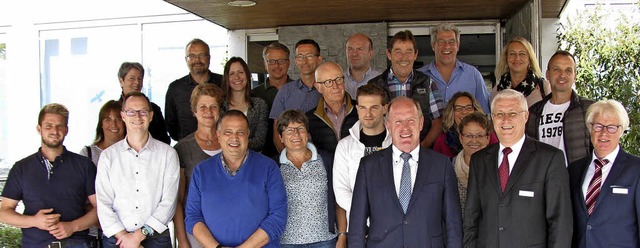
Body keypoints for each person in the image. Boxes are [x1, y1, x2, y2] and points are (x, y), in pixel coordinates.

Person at [463, 89, 572, 247]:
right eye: (499, 114)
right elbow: (471, 219)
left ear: (525, 116)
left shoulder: (550, 158)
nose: (505, 120)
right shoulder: (479, 160)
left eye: (512, 113)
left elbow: (560, 222)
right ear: (492, 118)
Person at [349, 97, 462, 247]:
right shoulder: (368, 166)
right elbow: (357, 225)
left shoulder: (442, 165)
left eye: (410, 120)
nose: (405, 128)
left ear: (421, 123)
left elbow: (453, 223)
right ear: (388, 125)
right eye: (398, 121)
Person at [185, 110, 287, 247]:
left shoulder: (269, 168)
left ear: (248, 135)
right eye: (228, 132)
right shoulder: (201, 172)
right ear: (218, 135)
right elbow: (192, 217)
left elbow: (278, 217)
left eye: (240, 132)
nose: (234, 138)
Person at [0, 103, 98, 247]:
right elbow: (4, 212)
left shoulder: (84, 165)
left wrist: (72, 226)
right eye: (48, 126)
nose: (54, 130)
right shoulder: (21, 168)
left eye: (59, 126)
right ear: (39, 129)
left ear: (66, 130)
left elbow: (101, 209)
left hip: (76, 244)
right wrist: (34, 221)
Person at [96, 92, 179, 248]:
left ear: (151, 115)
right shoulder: (108, 157)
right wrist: (125, 238)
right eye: (131, 112)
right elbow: (103, 203)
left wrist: (138, 236)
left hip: (156, 239)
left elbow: (169, 202)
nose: (137, 116)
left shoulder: (168, 154)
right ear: (123, 116)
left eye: (143, 111)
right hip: (117, 239)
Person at [568, 99, 640, 248]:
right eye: (598, 126)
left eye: (612, 127)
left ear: (621, 130)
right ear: (589, 128)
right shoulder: (574, 170)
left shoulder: (636, 169)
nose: (604, 133)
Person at [368, 30, 444, 148]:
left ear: (415, 54)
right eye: (398, 51)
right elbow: (368, 122)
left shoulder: (427, 83)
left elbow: (438, 122)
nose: (404, 58)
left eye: (409, 52)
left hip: (419, 155)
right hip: (384, 155)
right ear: (389, 54)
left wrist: (422, 147)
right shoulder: (374, 85)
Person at [276, 110, 341, 248]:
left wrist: (342, 235)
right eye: (289, 130)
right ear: (281, 137)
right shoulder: (274, 166)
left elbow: (338, 200)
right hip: (287, 241)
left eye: (301, 128)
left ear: (308, 134)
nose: (296, 134)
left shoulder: (326, 159)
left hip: (325, 239)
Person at [333, 83, 392, 226]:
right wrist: (367, 215)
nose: (368, 114)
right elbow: (341, 191)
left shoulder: (396, 142)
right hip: (358, 224)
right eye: (363, 108)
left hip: (393, 222)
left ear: (385, 108)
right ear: (357, 109)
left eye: (374, 107)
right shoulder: (344, 146)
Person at [173, 83, 224, 248]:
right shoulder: (182, 148)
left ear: (220, 110)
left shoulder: (231, 143)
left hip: (228, 227)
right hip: (195, 231)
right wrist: (182, 239)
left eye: (213, 106)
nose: (208, 112)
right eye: (202, 107)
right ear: (194, 111)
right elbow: (178, 200)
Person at [526, 50, 594, 166]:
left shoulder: (588, 109)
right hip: (543, 180)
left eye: (568, 70)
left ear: (575, 76)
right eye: (556, 69)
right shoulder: (533, 112)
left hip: (576, 180)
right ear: (547, 74)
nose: (562, 75)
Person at [79, 100, 126, 246]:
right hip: (97, 233)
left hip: (131, 230)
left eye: (118, 119)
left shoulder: (134, 153)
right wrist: (107, 223)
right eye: (108, 119)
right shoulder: (88, 154)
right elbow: (82, 197)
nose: (113, 124)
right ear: (101, 124)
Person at [418, 23, 491, 114]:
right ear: (433, 45)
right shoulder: (420, 76)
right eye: (441, 42)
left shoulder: (473, 75)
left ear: (458, 45)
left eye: (451, 42)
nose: (447, 46)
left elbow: (484, 113)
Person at [270, 39, 323, 153]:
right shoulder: (285, 91)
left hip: (325, 159)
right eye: (300, 56)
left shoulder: (328, 89)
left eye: (309, 56)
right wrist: (289, 162)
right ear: (295, 61)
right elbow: (277, 133)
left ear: (319, 59)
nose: (304, 61)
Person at [166, 38, 223, 142]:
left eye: (202, 55)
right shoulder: (175, 88)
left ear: (209, 58)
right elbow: (171, 125)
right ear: (186, 59)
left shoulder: (223, 84)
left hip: (220, 148)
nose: (197, 60)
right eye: (192, 56)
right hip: (186, 152)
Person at [252, 41, 294, 158]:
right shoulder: (254, 94)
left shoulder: (298, 90)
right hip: (262, 157)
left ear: (288, 63)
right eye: (271, 61)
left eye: (281, 61)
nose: (276, 66)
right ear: (265, 64)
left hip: (294, 156)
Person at [306, 62, 359, 154]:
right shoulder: (309, 119)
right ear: (318, 87)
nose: (335, 86)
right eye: (328, 82)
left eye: (338, 79)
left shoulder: (360, 109)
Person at [221, 57, 268, 152]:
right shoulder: (219, 105)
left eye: (241, 72)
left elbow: (259, 141)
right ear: (227, 78)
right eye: (232, 73)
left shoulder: (260, 105)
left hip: (252, 160)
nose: (237, 77)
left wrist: (234, 143)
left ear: (247, 75)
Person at [117, 62, 170, 144]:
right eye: (132, 78)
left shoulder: (154, 109)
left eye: (140, 79)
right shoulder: (113, 109)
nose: (137, 83)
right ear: (121, 81)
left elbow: (164, 139)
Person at [432, 91, 497, 158]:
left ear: (475, 110)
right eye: (459, 108)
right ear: (452, 112)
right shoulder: (442, 141)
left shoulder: (489, 136)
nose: (464, 112)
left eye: (468, 108)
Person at [492, 37, 551, 107]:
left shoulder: (544, 87)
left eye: (522, 54)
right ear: (506, 58)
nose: (517, 58)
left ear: (530, 59)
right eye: (512, 53)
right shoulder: (497, 91)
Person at [452, 112, 492, 212]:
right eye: (469, 136)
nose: (474, 141)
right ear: (461, 138)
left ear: (488, 138)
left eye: (479, 135)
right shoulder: (447, 169)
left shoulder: (498, 168)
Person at [344, 33, 381, 99]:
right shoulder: (338, 80)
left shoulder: (381, 79)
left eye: (359, 49)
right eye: (350, 49)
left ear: (371, 54)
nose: (354, 54)